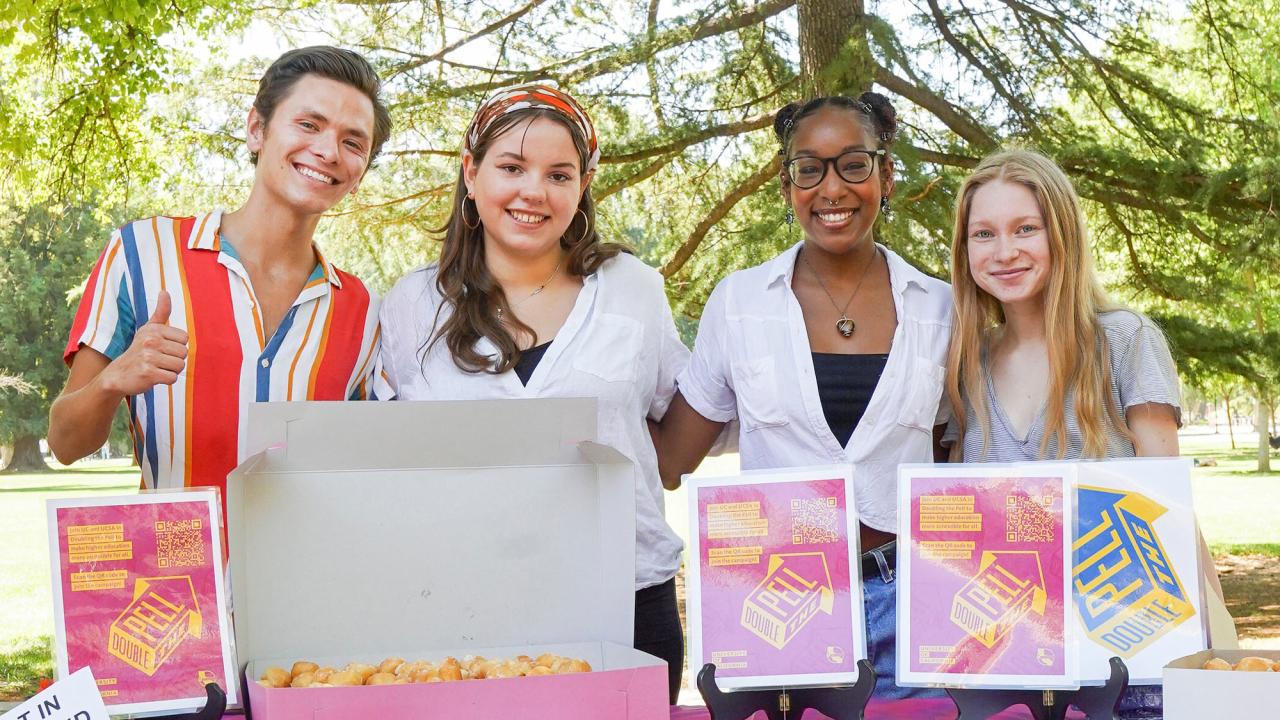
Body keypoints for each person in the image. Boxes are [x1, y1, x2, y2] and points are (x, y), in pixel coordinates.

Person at [376, 85, 689, 703]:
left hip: (626, 601)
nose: (534, 192)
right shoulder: (411, 305)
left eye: (559, 174)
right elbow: (391, 464)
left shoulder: (634, 289)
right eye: (512, 168)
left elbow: (672, 428)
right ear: (471, 172)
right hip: (462, 612)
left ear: (583, 185)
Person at [654, 94, 952, 699]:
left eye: (853, 164)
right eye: (808, 168)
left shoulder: (941, 308)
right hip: (775, 602)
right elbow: (671, 459)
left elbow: (954, 456)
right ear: (788, 183)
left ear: (886, 175)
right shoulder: (740, 303)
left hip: (911, 600)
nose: (831, 188)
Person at [49, 46, 391, 533]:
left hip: (306, 594)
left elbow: (366, 476)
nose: (329, 151)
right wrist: (113, 380)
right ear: (257, 129)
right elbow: (64, 443)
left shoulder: (365, 312)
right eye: (309, 124)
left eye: (353, 142)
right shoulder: (141, 253)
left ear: (359, 174)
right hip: (171, 593)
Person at [942, 147, 1235, 710]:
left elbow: (1171, 506)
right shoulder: (965, 364)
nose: (1005, 251)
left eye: (1025, 228)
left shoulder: (1124, 339)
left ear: (1062, 236)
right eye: (983, 234)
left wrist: (1211, 651)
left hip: (1129, 656)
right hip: (1011, 661)